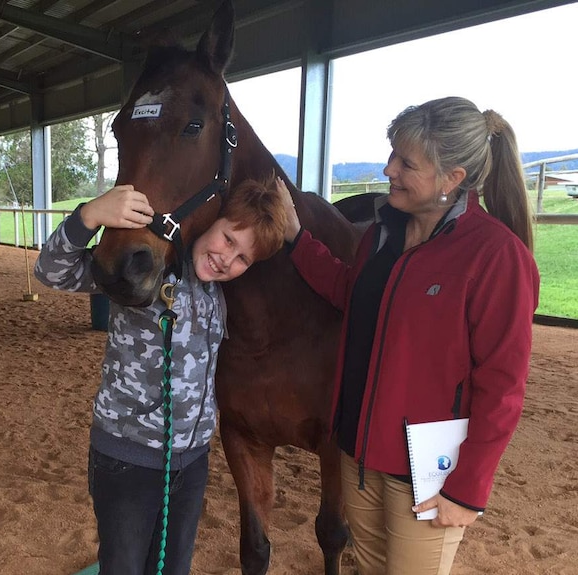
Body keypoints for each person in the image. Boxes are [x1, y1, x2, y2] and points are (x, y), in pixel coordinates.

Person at [280, 96, 540, 575]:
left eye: (406, 162)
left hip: (428, 478)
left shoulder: (495, 255)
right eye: (392, 155)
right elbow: (349, 292)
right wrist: (298, 239)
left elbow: (503, 386)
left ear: (452, 178)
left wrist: (467, 490)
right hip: (358, 456)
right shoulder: (382, 234)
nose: (388, 169)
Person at [34, 177, 288, 575]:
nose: (227, 259)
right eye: (227, 239)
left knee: (173, 568)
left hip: (191, 463)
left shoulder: (218, 294)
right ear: (210, 221)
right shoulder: (148, 267)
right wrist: (88, 216)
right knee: (123, 567)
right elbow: (52, 272)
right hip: (126, 457)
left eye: (243, 258)